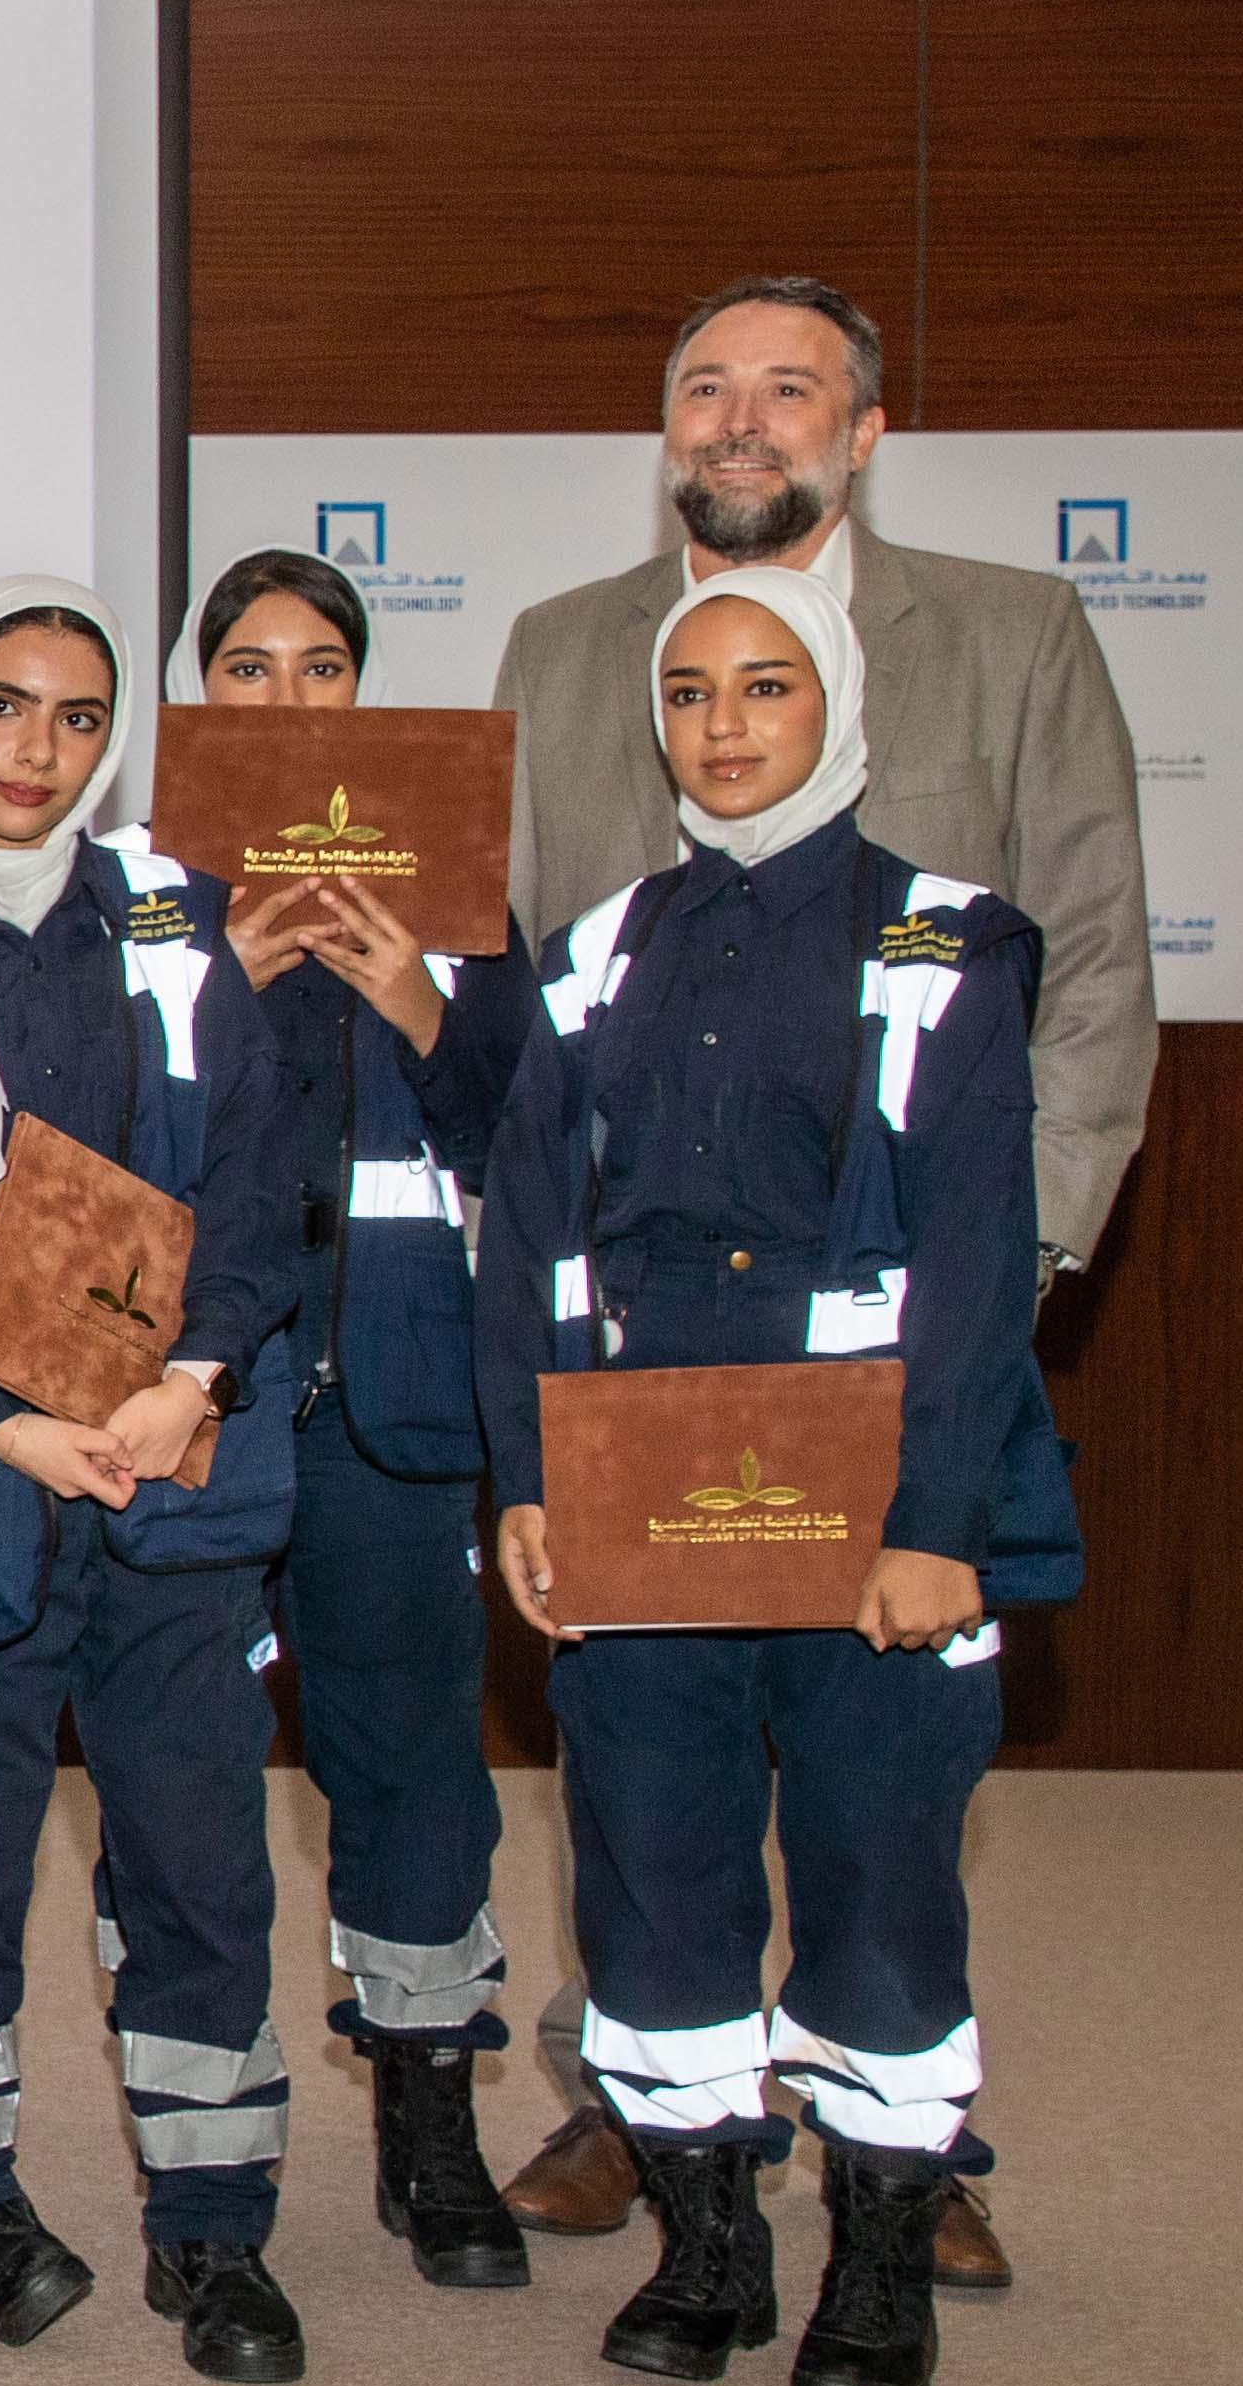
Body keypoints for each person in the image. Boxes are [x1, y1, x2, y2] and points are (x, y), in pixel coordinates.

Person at [484, 274, 1141, 2282]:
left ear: (861, 432)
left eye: (787, 388)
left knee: (874, 1800)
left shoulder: (1008, 634)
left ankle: (898, 2163)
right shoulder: (563, 647)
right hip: (647, 1367)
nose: (739, 420)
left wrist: (995, 1285)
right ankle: (655, 2108)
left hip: (898, 1337)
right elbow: (530, 1011)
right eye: (704, 387)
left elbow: (1095, 966)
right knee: (649, 1786)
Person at [477, 566, 1057, 2386]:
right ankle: (708, 2241)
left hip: (876, 1488)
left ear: (842, 703)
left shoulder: (949, 943)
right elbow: (528, 1235)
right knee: (654, 1863)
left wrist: (940, 1521)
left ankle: (879, 2255)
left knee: (881, 1868)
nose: (724, 726)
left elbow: (979, 1251)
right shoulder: (588, 955)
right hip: (639, 1484)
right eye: (691, 692)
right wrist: (528, 1476)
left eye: (768, 686)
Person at [0, 582, 317, 2385]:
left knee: (199, 1856)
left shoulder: (178, 927)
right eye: (2, 705)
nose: (34, 750)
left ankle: (215, 2222)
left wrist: (191, 1373)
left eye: (74, 717)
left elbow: (264, 1176)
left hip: (168, 1480)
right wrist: (3, 1418)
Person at [195, 551, 534, 2287]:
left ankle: (430, 2107)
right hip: (198, 1401)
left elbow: (536, 1139)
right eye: (247, 669)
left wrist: (419, 998)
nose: (286, 699)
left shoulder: (457, 889)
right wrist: (216, 982)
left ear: (363, 690)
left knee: (409, 1765)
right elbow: (91, 1130)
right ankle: (198, 2130)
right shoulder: (146, 893)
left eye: (319, 667)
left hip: (394, 1401)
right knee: (179, 1780)